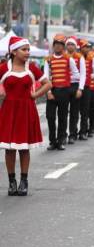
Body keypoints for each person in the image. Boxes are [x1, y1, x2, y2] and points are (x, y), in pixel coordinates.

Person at [0, 36, 52, 196]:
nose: (27, 52)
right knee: (9, 149)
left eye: (28, 49)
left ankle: (24, 180)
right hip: (8, 110)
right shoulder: (3, 68)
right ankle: (11, 181)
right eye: (24, 50)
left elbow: (48, 84)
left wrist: (35, 95)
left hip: (26, 110)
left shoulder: (32, 67)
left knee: (24, 148)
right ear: (14, 51)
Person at [44, 34, 79, 151]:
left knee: (63, 117)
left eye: (60, 45)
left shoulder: (69, 59)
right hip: (52, 91)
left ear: (63, 47)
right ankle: (52, 141)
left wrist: (69, 86)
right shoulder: (48, 59)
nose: (58, 47)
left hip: (64, 92)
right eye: (56, 44)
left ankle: (60, 141)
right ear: (53, 46)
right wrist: (48, 91)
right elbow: (45, 77)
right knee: (50, 116)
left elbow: (76, 74)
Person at [65, 36, 86, 145]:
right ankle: (62, 135)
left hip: (74, 85)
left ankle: (72, 134)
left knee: (74, 111)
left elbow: (83, 74)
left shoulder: (80, 57)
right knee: (63, 112)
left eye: (72, 44)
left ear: (75, 46)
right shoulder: (62, 56)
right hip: (64, 85)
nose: (70, 46)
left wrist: (80, 89)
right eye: (68, 44)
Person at [77, 39, 94, 140]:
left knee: (85, 111)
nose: (87, 49)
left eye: (88, 47)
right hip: (75, 87)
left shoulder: (91, 58)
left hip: (86, 87)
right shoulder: (74, 57)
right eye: (85, 47)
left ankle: (83, 132)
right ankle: (73, 132)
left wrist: (88, 75)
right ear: (80, 47)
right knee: (74, 111)